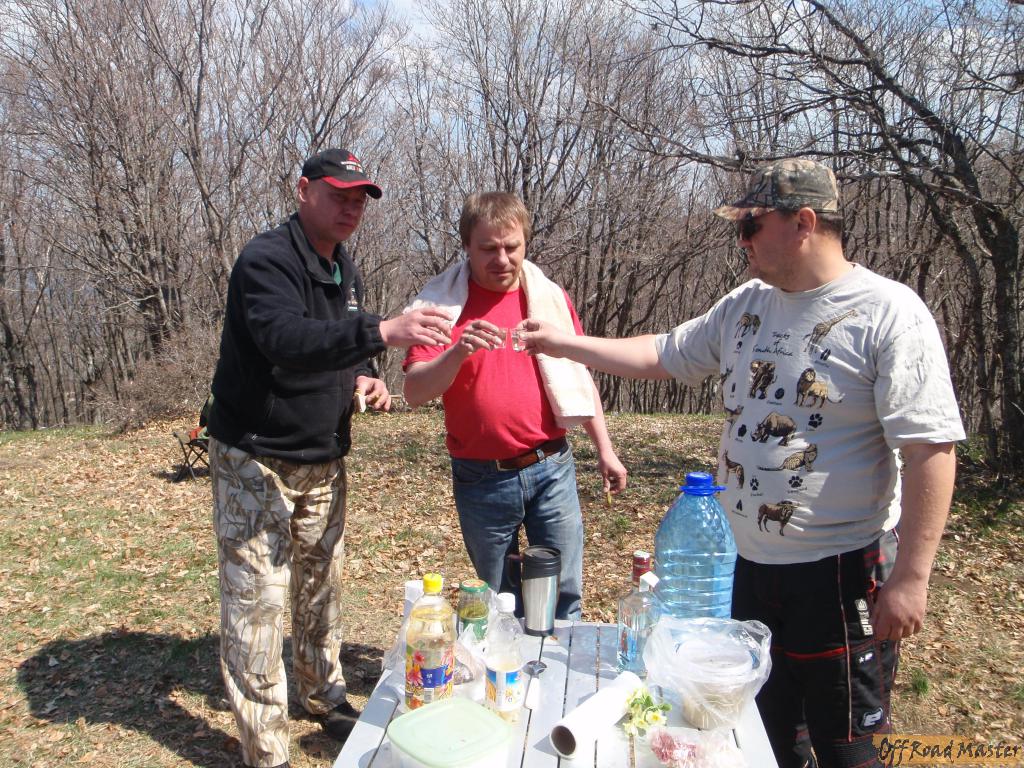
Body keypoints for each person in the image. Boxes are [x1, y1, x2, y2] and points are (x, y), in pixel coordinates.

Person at [518, 160, 964, 768]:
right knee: (761, 738)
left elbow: (931, 449)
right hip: (748, 570)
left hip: (840, 575)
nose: (741, 241)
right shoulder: (746, 305)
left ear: (803, 223)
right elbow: (662, 354)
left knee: (847, 748)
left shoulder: (888, 312)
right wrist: (562, 342)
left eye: (751, 226)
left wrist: (911, 578)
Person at [206, 148, 452, 768]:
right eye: (338, 195)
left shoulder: (343, 266)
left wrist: (366, 374)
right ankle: (266, 750)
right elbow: (284, 339)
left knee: (321, 589)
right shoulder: (266, 260)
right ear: (303, 190)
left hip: (323, 458)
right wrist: (381, 332)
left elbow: (341, 346)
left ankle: (323, 696)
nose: (350, 208)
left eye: (359, 199)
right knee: (258, 603)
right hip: (256, 458)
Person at [402, 191, 627, 620]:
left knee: (562, 596)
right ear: (467, 246)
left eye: (512, 246)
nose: (502, 259)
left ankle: (557, 661)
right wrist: (457, 352)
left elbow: (578, 376)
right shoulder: (440, 307)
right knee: (500, 604)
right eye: (488, 248)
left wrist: (605, 450)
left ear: (525, 242)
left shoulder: (547, 297)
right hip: (481, 478)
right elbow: (414, 391)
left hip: (551, 467)